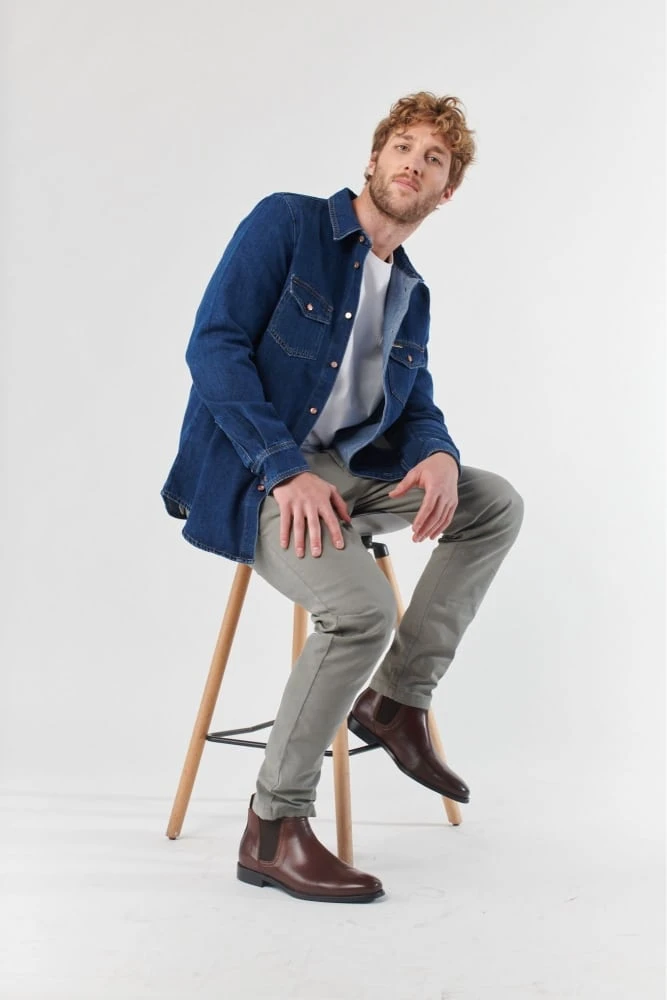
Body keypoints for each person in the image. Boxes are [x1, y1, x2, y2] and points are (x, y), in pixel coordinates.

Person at [161, 92, 524, 903]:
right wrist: (284, 468)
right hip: (256, 473)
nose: (413, 164)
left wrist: (437, 455)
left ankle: (396, 702)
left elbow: (416, 402)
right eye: (403, 146)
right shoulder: (287, 224)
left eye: (433, 159)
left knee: (494, 502)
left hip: (349, 475)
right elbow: (213, 346)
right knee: (361, 612)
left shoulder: (410, 293)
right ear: (372, 157)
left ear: (446, 192)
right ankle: (273, 826)